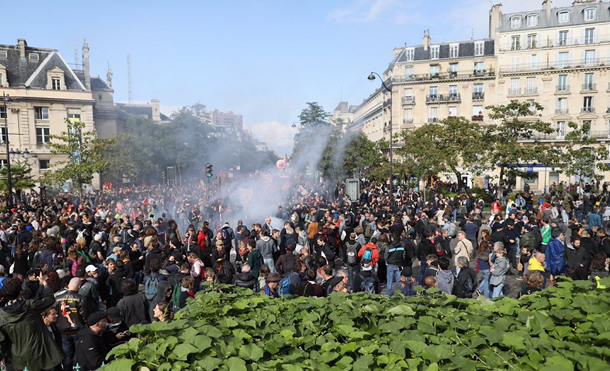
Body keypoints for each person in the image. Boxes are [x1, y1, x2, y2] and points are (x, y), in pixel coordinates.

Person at [0, 276, 64, 371]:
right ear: (21, 291)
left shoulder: (2, 315)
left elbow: (1, 340)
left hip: (19, 358)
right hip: (40, 353)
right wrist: (45, 284)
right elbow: (50, 299)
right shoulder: (30, 305)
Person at [55, 276, 87, 370]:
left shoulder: (57, 298)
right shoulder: (81, 298)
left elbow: (55, 313)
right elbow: (84, 316)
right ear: (79, 287)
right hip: (78, 330)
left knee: (67, 357)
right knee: (79, 355)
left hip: (63, 331)